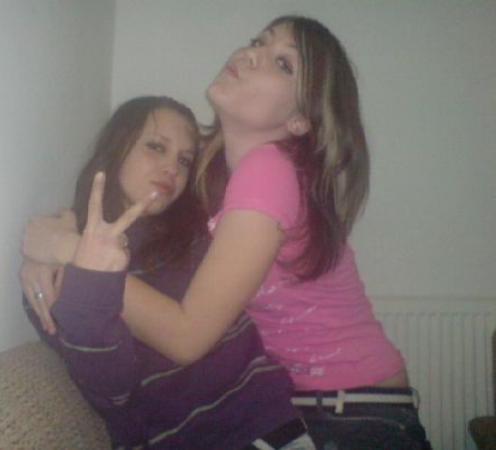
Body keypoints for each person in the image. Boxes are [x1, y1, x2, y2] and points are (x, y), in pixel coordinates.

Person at [23, 16, 431, 450]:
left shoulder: (268, 170)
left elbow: (187, 337)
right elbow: (132, 200)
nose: (251, 54)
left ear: (299, 120)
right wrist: (59, 237)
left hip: (353, 415)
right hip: (336, 405)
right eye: (259, 41)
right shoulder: (221, 176)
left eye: (283, 63)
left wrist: (71, 251)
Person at [21, 96, 315, 450]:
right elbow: (111, 390)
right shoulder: (57, 271)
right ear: (116, 147)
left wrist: (64, 246)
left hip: (268, 425)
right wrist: (85, 273)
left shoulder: (199, 236)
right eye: (156, 147)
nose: (172, 168)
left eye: (184, 160)